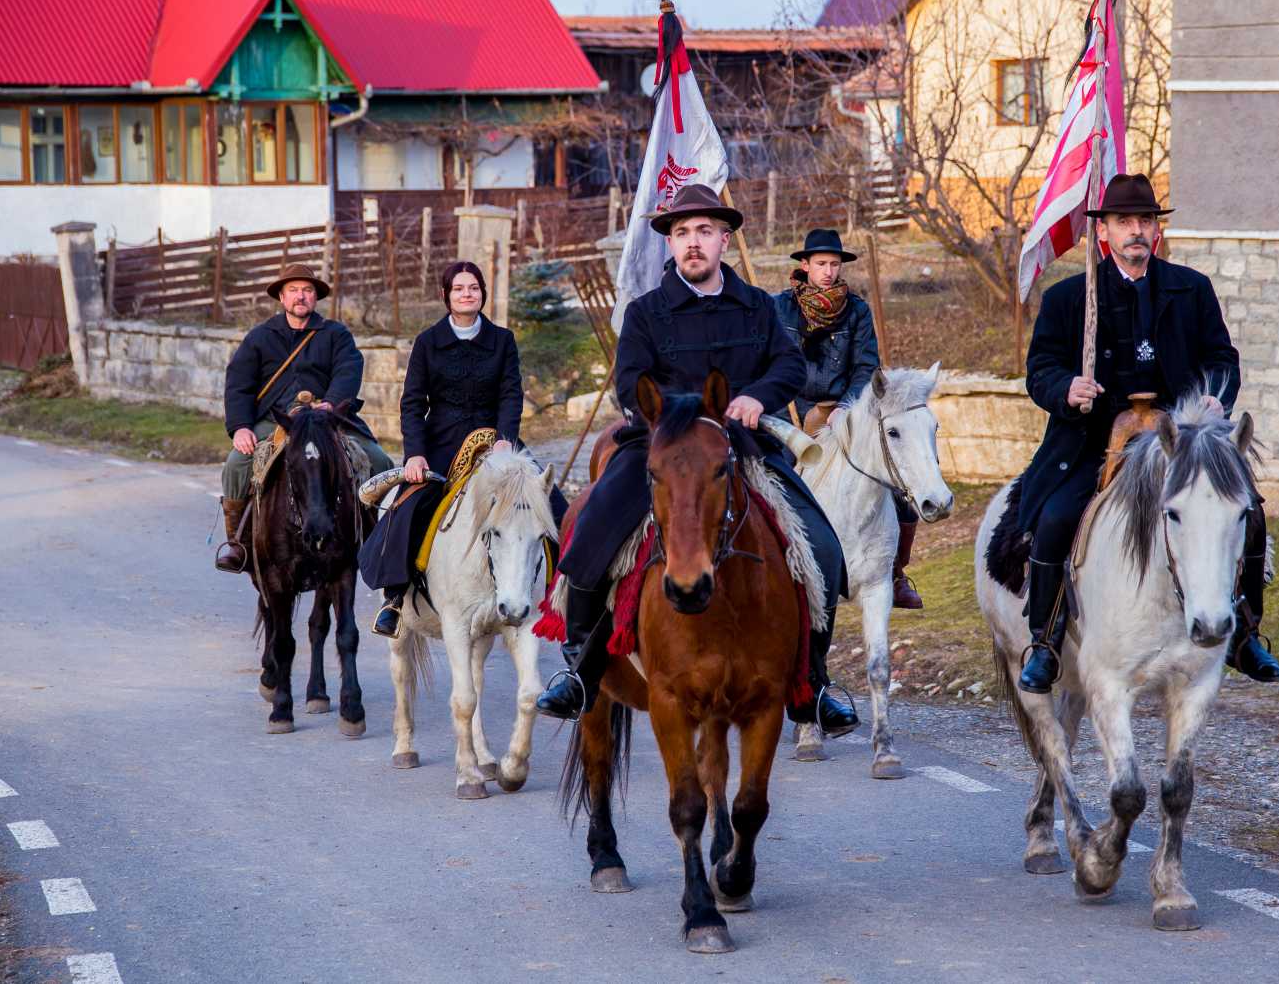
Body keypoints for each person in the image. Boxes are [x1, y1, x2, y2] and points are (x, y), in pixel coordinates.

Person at [534, 184, 858, 735]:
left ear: (724, 240)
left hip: (743, 451)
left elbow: (791, 368)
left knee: (821, 546)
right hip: (657, 451)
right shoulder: (645, 313)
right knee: (589, 531)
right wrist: (667, 418)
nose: (692, 242)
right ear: (671, 243)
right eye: (682, 233)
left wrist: (758, 396)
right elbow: (631, 382)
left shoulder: (757, 305)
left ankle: (813, 681)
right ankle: (582, 669)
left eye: (704, 231)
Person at [1017, 173, 1279, 693]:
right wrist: (1068, 389)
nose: (1136, 231)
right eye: (1124, 222)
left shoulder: (1191, 288)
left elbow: (1221, 359)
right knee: (1055, 519)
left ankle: (1247, 633)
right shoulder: (1070, 298)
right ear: (1104, 234)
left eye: (1145, 221)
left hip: (1180, 445)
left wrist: (1216, 396)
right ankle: (1045, 641)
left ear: (1155, 231)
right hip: (1096, 442)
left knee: (1248, 513)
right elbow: (1040, 369)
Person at [358, 261, 567, 637]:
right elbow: (412, 403)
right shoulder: (427, 342)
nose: (467, 293)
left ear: (483, 293)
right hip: (440, 442)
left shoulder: (502, 340)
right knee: (410, 505)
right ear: (446, 295)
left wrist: (506, 436)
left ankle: (560, 595)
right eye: (459, 288)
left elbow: (510, 393)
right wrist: (415, 454)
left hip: (498, 441)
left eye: (473, 287)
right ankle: (395, 598)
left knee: (553, 503)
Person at [772, 227, 923, 609]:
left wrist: (848, 406)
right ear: (804, 265)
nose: (828, 271)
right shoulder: (778, 308)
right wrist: (782, 409)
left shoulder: (856, 310)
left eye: (834, 264)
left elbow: (866, 366)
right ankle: (779, 565)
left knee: (895, 478)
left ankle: (895, 570)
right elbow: (769, 362)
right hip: (792, 409)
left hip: (845, 408)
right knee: (776, 479)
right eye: (821, 263)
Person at [216, 264, 392, 573]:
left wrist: (333, 404)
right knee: (236, 465)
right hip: (278, 421)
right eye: (294, 290)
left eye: (308, 290)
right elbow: (238, 385)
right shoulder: (259, 338)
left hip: (327, 420)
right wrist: (241, 427)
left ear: (315, 298)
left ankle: (375, 538)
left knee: (380, 462)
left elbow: (348, 371)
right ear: (282, 297)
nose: (301, 296)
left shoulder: (336, 334)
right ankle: (237, 543)